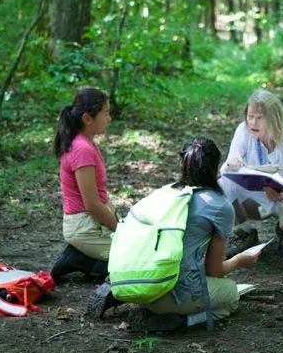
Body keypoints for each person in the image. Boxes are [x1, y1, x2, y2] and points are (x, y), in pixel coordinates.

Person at [87, 137, 260, 331]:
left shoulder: (166, 193)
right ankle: (177, 321)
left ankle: (116, 291)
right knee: (230, 296)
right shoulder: (220, 206)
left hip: (134, 282)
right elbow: (214, 270)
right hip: (169, 294)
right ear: (216, 167)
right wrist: (239, 260)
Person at [219, 89, 283, 254]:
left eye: (260, 118)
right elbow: (227, 168)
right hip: (253, 197)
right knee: (221, 187)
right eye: (250, 116)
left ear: (274, 119)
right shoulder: (243, 130)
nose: (253, 122)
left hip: (281, 199)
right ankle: (244, 232)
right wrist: (233, 163)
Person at [50, 87, 117, 283]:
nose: (109, 118)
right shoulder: (81, 149)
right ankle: (80, 259)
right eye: (105, 113)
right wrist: (119, 229)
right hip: (85, 226)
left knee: (140, 249)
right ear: (88, 118)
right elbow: (92, 205)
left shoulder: (84, 143)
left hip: (92, 222)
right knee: (134, 262)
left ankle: (87, 255)